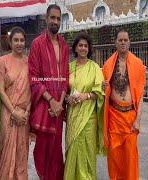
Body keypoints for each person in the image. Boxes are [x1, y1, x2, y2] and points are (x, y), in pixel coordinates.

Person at [28, 4, 69, 180]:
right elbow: (33, 77)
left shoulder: (64, 45)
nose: (55, 21)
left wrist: (59, 103)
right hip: (44, 104)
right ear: (46, 19)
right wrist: (51, 100)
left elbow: (65, 77)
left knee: (56, 149)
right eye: (52, 18)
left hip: (58, 107)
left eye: (58, 19)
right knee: (42, 150)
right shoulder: (37, 44)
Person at [102, 29, 146, 180]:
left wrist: (138, 120)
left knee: (130, 158)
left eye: (125, 40)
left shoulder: (138, 65)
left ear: (129, 42)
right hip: (114, 116)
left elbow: (139, 96)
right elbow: (104, 90)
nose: (122, 42)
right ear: (115, 42)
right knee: (114, 158)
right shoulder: (107, 65)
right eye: (120, 40)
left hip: (130, 118)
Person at [64, 32, 105, 180]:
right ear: (75, 48)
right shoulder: (68, 67)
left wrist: (85, 96)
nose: (82, 48)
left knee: (87, 151)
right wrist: (67, 98)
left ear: (89, 49)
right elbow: (63, 90)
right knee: (73, 147)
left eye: (85, 46)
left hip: (89, 117)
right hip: (73, 115)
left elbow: (100, 93)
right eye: (80, 45)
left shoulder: (94, 67)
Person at [0, 26, 31, 180]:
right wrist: (13, 112)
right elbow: (0, 89)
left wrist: (27, 112)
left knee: (22, 152)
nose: (19, 43)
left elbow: (32, 90)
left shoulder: (30, 62)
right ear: (10, 42)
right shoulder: (3, 61)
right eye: (15, 40)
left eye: (22, 40)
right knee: (5, 151)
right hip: (8, 113)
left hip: (24, 114)